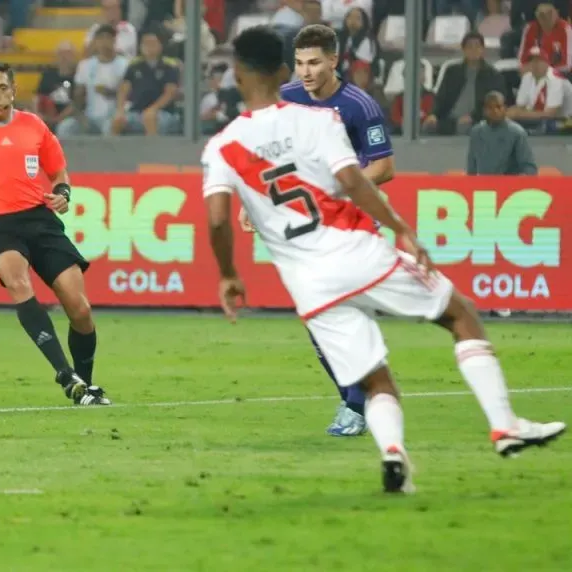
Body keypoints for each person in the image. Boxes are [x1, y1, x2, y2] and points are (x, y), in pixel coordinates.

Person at [201, 26, 565, 494]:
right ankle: (504, 425)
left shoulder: (222, 146)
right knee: (461, 315)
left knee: (374, 380)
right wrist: (401, 229)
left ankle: (393, 454)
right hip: (356, 251)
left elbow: (217, 221)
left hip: (309, 284)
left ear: (236, 74)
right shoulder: (318, 121)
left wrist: (229, 275)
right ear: (285, 71)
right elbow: (354, 182)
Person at [0, 63, 110, 406]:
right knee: (18, 283)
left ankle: (85, 386)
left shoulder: (33, 126)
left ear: (13, 90)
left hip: (40, 220)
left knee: (80, 309)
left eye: (2, 88)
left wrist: (63, 194)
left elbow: (59, 172)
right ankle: (64, 373)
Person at [254, 23, 397, 438]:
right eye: (299, 63)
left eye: (314, 62)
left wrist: (334, 186)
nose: (306, 71)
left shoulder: (359, 106)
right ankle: (357, 400)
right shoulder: (287, 99)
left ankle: (355, 406)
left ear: (334, 61)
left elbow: (384, 166)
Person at [467, 91, 539, 175]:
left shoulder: (517, 132)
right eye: (490, 107)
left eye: (498, 107)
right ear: (484, 110)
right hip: (484, 182)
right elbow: (471, 169)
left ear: (505, 109)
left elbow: (530, 168)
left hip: (510, 182)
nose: (495, 111)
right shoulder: (476, 132)